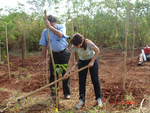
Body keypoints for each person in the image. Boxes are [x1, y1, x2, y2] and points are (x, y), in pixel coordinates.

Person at [64, 33, 102, 109]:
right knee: (82, 81)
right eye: (74, 45)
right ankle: (81, 100)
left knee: (95, 80)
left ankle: (98, 99)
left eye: (76, 45)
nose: (75, 46)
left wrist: (92, 61)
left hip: (92, 60)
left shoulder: (89, 44)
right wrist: (67, 72)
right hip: (82, 61)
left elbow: (97, 51)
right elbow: (71, 60)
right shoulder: (73, 47)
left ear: (81, 43)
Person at [39, 15, 71, 99]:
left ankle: (66, 93)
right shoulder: (45, 32)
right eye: (49, 25)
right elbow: (44, 46)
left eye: (52, 24)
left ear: (55, 23)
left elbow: (60, 35)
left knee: (66, 73)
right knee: (53, 74)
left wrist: (50, 27)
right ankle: (54, 93)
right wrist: (44, 59)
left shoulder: (61, 26)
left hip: (64, 53)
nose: (51, 26)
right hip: (53, 55)